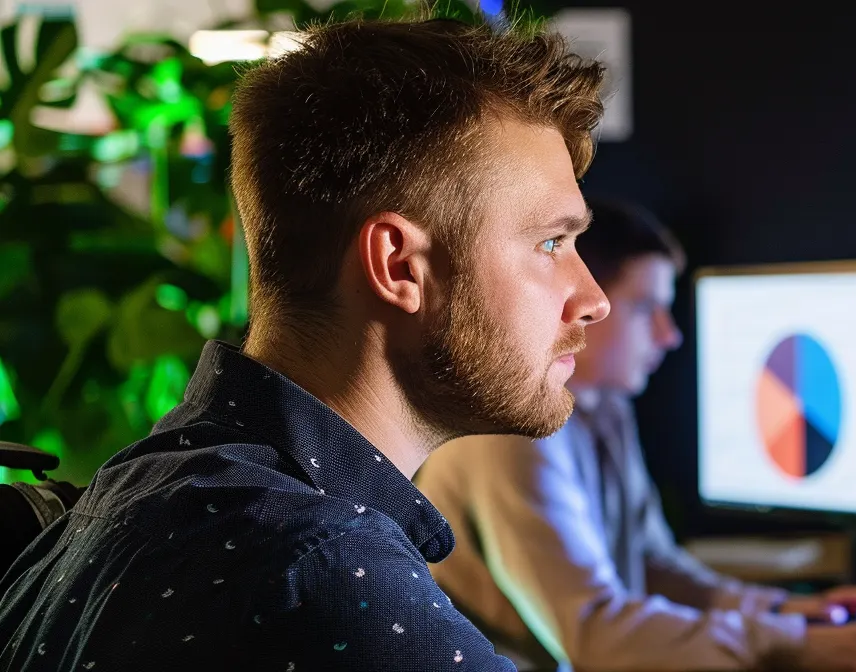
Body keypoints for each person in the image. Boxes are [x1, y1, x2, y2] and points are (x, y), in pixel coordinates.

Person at [0, 16, 608, 671]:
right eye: (551, 243)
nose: (593, 297)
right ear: (400, 266)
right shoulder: (326, 567)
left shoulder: (132, 489)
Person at [414, 200, 856, 672]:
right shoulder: (511, 432)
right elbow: (592, 634)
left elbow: (652, 566)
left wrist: (782, 611)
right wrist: (790, 643)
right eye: (647, 309)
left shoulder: (603, 407)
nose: (670, 334)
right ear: (581, 306)